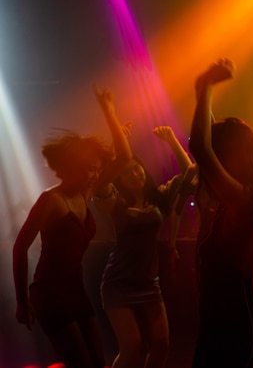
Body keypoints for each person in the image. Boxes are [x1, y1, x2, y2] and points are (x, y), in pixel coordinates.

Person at [12, 86, 129, 368]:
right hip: (49, 293)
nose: (96, 174)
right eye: (90, 168)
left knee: (97, 363)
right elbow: (20, 247)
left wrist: (109, 113)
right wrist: (22, 301)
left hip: (75, 291)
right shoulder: (52, 200)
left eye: (98, 169)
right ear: (73, 167)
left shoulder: (84, 194)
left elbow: (124, 158)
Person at [188, 59, 253, 367]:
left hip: (234, 327)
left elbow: (200, 145)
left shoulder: (244, 199)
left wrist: (207, 87)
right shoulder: (241, 196)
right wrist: (202, 90)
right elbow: (204, 143)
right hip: (225, 323)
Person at [94, 119, 192, 368]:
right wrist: (119, 143)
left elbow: (190, 174)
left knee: (161, 345)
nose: (134, 173)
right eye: (126, 172)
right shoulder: (116, 203)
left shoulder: (158, 196)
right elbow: (102, 185)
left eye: (136, 168)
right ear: (120, 179)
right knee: (132, 347)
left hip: (149, 281)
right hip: (118, 281)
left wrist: (172, 141)